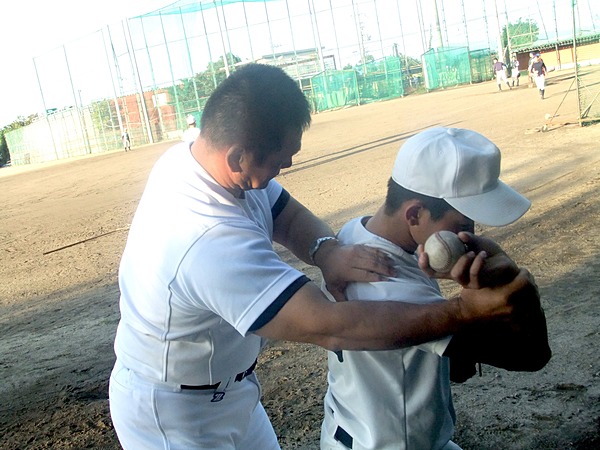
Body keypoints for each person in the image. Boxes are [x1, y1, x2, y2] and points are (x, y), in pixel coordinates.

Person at [109, 64, 540, 450]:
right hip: (172, 414)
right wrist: (464, 311)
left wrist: (327, 250)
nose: (288, 164)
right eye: (280, 160)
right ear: (238, 156)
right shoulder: (207, 238)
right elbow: (328, 326)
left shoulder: (202, 159)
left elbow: (285, 213)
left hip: (233, 391)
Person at [320, 127, 551, 450]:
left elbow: (456, 369)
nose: (470, 234)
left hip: (353, 428)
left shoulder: (355, 234)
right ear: (414, 213)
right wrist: (516, 284)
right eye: (464, 225)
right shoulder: (393, 289)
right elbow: (531, 356)